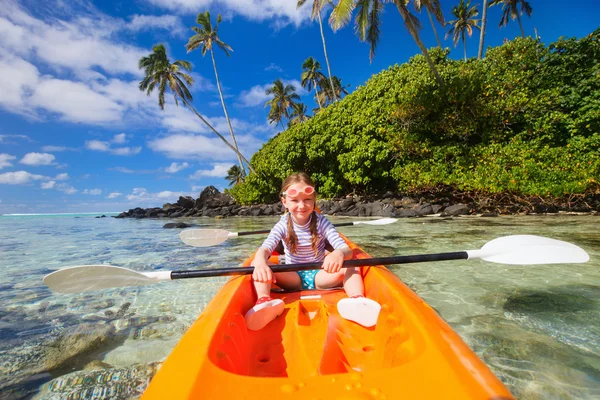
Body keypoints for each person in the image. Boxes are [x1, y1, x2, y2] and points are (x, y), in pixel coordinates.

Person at [244, 172, 381, 331]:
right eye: (294, 200)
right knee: (257, 262)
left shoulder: (322, 222)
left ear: (314, 199)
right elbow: (265, 248)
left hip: (320, 276)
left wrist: (339, 253)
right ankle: (264, 301)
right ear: (284, 202)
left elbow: (345, 249)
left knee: (352, 263)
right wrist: (261, 261)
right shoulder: (282, 224)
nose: (301, 206)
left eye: (307, 200)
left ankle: (357, 300)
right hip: (292, 277)